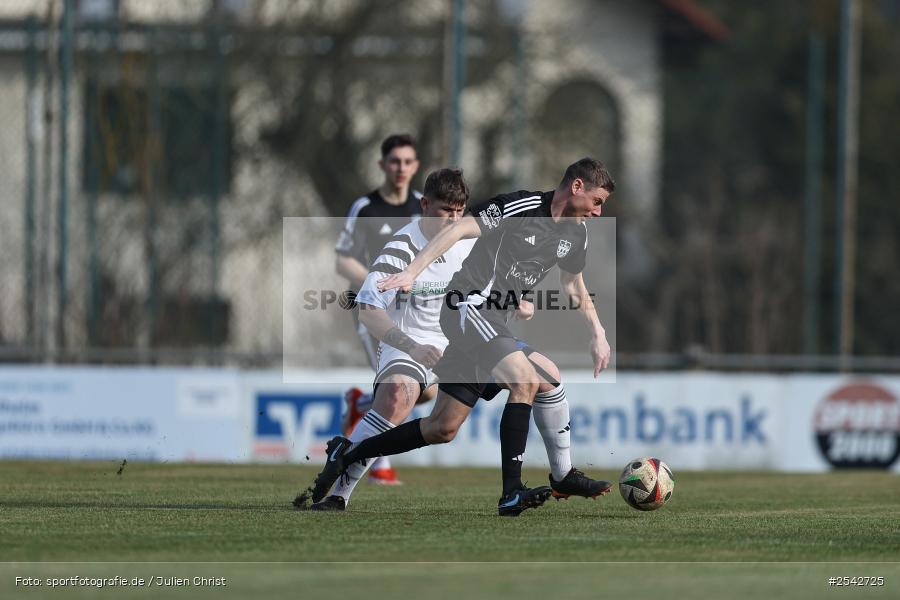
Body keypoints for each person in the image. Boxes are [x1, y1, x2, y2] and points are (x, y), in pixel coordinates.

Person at [311, 157, 616, 516]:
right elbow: (456, 232)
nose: (598, 213)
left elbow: (572, 283)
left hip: (488, 321)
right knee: (524, 379)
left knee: (446, 425)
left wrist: (597, 331)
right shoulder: (520, 206)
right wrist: (412, 272)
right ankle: (512, 493)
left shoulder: (576, 233)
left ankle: (349, 452)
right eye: (597, 202)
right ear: (577, 187)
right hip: (466, 309)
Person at [334, 133, 422, 485]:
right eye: (394, 161)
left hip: (416, 314)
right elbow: (343, 260)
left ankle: (360, 404)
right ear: (382, 165)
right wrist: (380, 281)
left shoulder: (423, 206)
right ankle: (378, 466)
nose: (400, 168)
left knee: (426, 391)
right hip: (372, 311)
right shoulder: (365, 208)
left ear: (415, 166)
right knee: (395, 389)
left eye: (407, 161)